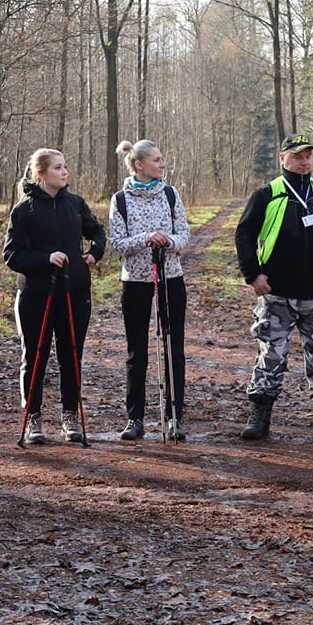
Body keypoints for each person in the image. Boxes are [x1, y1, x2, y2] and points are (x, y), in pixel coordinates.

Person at [234, 134, 313, 440]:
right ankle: (260, 416)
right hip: (276, 293)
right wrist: (253, 275)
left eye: (308, 156)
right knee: (272, 354)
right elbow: (244, 234)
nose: (303, 162)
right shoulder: (267, 195)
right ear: (282, 159)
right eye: (297, 156)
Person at [3, 148, 104, 444]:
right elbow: (11, 255)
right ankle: (33, 418)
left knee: (72, 355)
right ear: (41, 174)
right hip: (36, 294)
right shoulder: (23, 210)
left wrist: (94, 253)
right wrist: (46, 258)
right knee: (34, 356)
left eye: (65, 166)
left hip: (74, 292)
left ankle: (70, 416)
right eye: (58, 168)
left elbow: (97, 231)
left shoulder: (74, 203)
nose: (65, 172)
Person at [106, 138, 191, 441]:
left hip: (171, 278)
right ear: (139, 164)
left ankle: (175, 417)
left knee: (173, 349)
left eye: (162, 158)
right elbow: (117, 245)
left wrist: (167, 241)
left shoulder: (170, 194)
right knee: (136, 351)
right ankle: (135, 419)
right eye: (156, 160)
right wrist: (145, 238)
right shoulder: (120, 199)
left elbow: (184, 236)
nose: (162, 164)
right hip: (136, 282)